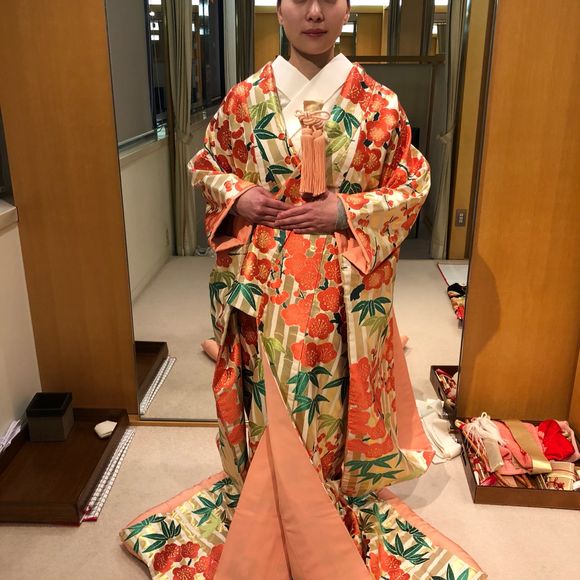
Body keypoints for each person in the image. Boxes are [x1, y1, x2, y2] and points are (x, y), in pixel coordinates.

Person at [119, 1, 487, 578]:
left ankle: (316, 502)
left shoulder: (380, 104)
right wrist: (239, 196)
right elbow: (208, 164)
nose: (314, 12)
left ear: (346, 7)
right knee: (265, 393)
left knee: (325, 398)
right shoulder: (245, 99)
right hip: (262, 277)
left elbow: (411, 183)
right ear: (279, 10)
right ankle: (271, 500)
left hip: (341, 285)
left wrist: (346, 210)